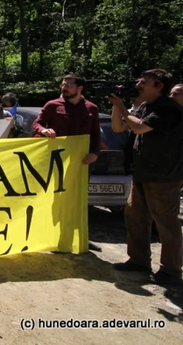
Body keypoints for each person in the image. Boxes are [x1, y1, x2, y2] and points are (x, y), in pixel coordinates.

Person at [109, 69, 183, 285]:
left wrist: (122, 107)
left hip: (163, 176)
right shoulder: (144, 106)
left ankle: (171, 270)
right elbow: (117, 127)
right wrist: (117, 106)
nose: (139, 84)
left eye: (144, 82)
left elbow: (140, 128)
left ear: (158, 86)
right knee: (136, 218)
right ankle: (139, 261)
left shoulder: (169, 110)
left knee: (165, 223)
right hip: (141, 173)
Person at [32, 74, 100, 165]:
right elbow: (37, 124)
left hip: (81, 158)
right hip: (56, 157)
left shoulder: (92, 108)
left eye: (68, 86)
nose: (64, 88)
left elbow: (95, 133)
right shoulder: (52, 105)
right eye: (62, 85)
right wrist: (44, 130)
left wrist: (95, 153)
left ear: (80, 88)